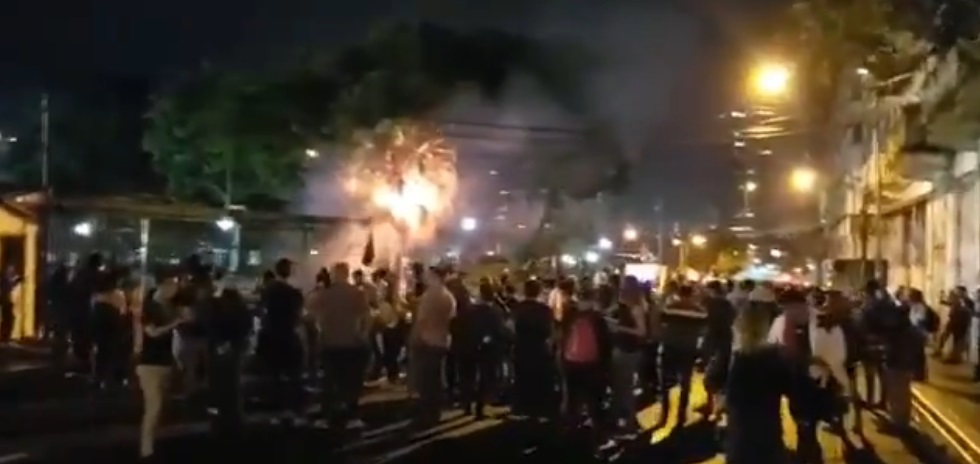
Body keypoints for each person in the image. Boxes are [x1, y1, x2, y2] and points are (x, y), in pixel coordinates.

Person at [707, 303, 790, 464]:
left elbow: (712, 381)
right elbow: (789, 387)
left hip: (740, 433)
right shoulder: (776, 356)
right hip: (769, 432)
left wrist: (720, 400)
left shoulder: (734, 356)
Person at [308, 262, 372, 429]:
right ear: (347, 274)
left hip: (330, 342)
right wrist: (362, 335)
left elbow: (312, 313)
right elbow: (366, 316)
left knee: (329, 381)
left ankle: (326, 416)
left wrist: (321, 330)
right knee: (351, 381)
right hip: (351, 342)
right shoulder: (357, 293)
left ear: (335, 274)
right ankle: (352, 416)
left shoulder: (325, 293)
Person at [134, 271, 184, 459]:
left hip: (165, 362)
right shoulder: (148, 306)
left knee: (162, 406)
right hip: (149, 363)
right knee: (153, 407)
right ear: (163, 285)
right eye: (173, 284)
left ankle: (153, 444)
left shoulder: (168, 306)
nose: (176, 289)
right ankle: (146, 450)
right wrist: (175, 323)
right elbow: (152, 333)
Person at [408, 266, 456, 429]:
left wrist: (414, 337)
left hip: (427, 341)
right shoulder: (448, 297)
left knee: (426, 381)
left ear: (435, 276)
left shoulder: (429, 296)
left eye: (429, 275)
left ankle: (427, 414)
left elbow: (421, 320)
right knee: (436, 379)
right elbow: (451, 319)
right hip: (442, 341)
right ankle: (435, 412)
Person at [259, 258, 305, 424]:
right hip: (288, 335)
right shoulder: (293, 292)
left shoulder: (268, 290)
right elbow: (298, 315)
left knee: (274, 375)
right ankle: (293, 410)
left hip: (271, 335)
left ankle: (276, 412)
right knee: (294, 374)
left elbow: (263, 312)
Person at [511, 279, 556, 419]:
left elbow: (511, 328)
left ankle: (523, 407)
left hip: (522, 347)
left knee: (522, 378)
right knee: (538, 380)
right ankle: (538, 409)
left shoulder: (518, 308)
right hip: (539, 348)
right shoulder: (545, 310)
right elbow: (550, 330)